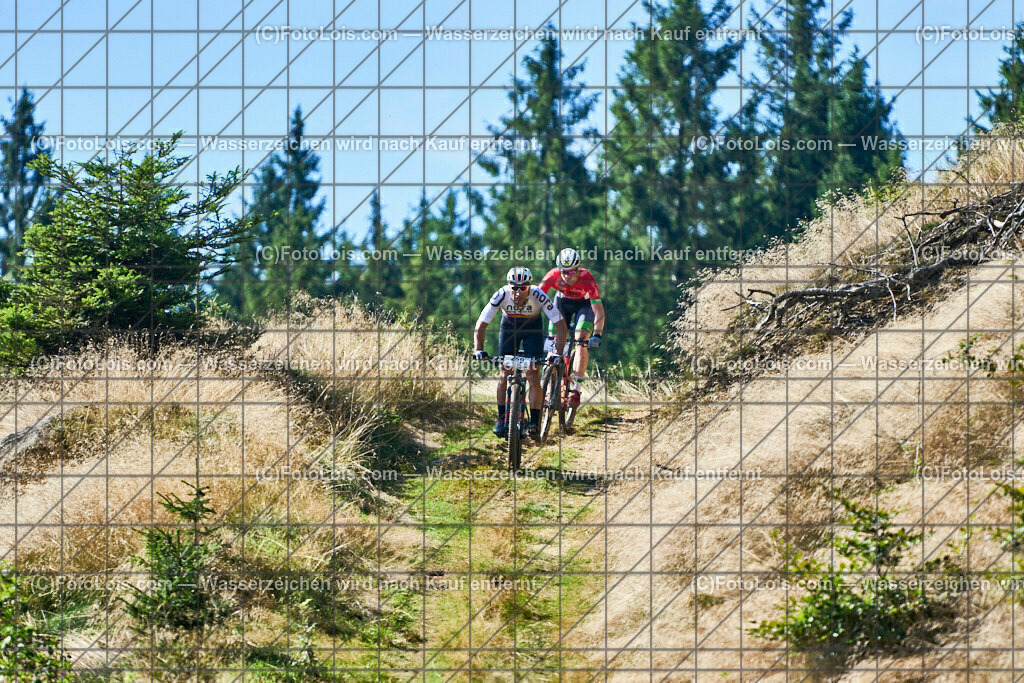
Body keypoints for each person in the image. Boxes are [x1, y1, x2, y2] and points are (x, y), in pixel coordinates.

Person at [474, 266, 568, 439]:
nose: (518, 292)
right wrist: (478, 349)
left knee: (533, 374)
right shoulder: (500, 295)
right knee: (504, 372)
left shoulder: (538, 295)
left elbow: (560, 325)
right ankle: (502, 418)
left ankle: (534, 421)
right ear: (508, 287)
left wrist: (558, 352)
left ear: (529, 287)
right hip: (509, 328)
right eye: (514, 288)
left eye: (523, 288)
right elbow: (481, 324)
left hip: (533, 330)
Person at [538, 248, 605, 408]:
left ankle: (576, 389)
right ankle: (550, 387)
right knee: (554, 340)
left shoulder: (587, 278)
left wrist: (597, 334)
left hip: (584, 305)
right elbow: (536, 299)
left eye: (572, 272)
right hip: (562, 303)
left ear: (578, 269)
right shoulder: (552, 275)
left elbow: (598, 310)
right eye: (565, 272)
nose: (568, 276)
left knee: (581, 340)